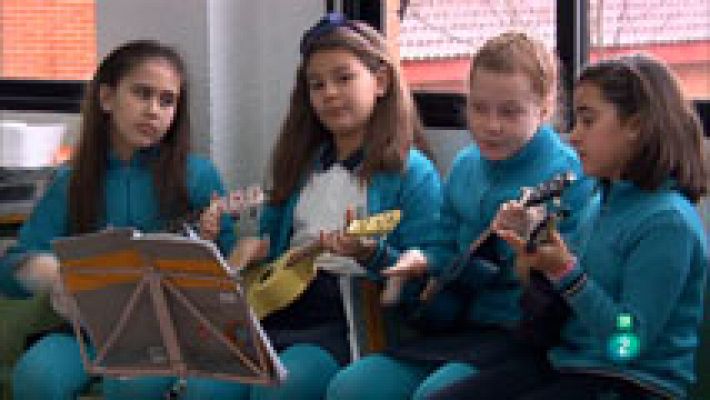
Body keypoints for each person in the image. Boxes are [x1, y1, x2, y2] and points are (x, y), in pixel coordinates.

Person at [326, 31, 596, 400]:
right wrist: (421, 260)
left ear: (544, 108)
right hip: (459, 325)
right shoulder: (466, 165)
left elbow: (569, 283)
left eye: (510, 112)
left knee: (436, 393)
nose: (491, 125)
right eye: (479, 108)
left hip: (525, 339)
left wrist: (523, 249)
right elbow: (445, 245)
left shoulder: (570, 176)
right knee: (352, 386)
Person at [197, 12, 445, 400]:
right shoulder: (300, 164)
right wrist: (241, 252)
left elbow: (427, 279)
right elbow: (273, 252)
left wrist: (374, 254)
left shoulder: (412, 172)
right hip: (282, 305)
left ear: (379, 82)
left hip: (351, 317)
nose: (329, 93)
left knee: (280, 387)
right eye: (317, 84)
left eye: (344, 78)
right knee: (203, 386)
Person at [431, 54, 708, 399]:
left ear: (635, 127)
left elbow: (626, 342)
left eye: (588, 122)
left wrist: (565, 271)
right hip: (568, 365)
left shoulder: (666, 223)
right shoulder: (599, 199)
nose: (574, 136)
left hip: (629, 383)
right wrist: (534, 246)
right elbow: (569, 298)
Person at [0, 40, 236, 400]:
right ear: (107, 98)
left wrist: (211, 243)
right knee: (35, 377)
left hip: (170, 334)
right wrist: (55, 274)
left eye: (167, 100)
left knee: (132, 384)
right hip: (88, 331)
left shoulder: (198, 176)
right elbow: (12, 270)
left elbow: (231, 270)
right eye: (142, 94)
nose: (154, 111)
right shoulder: (71, 180)